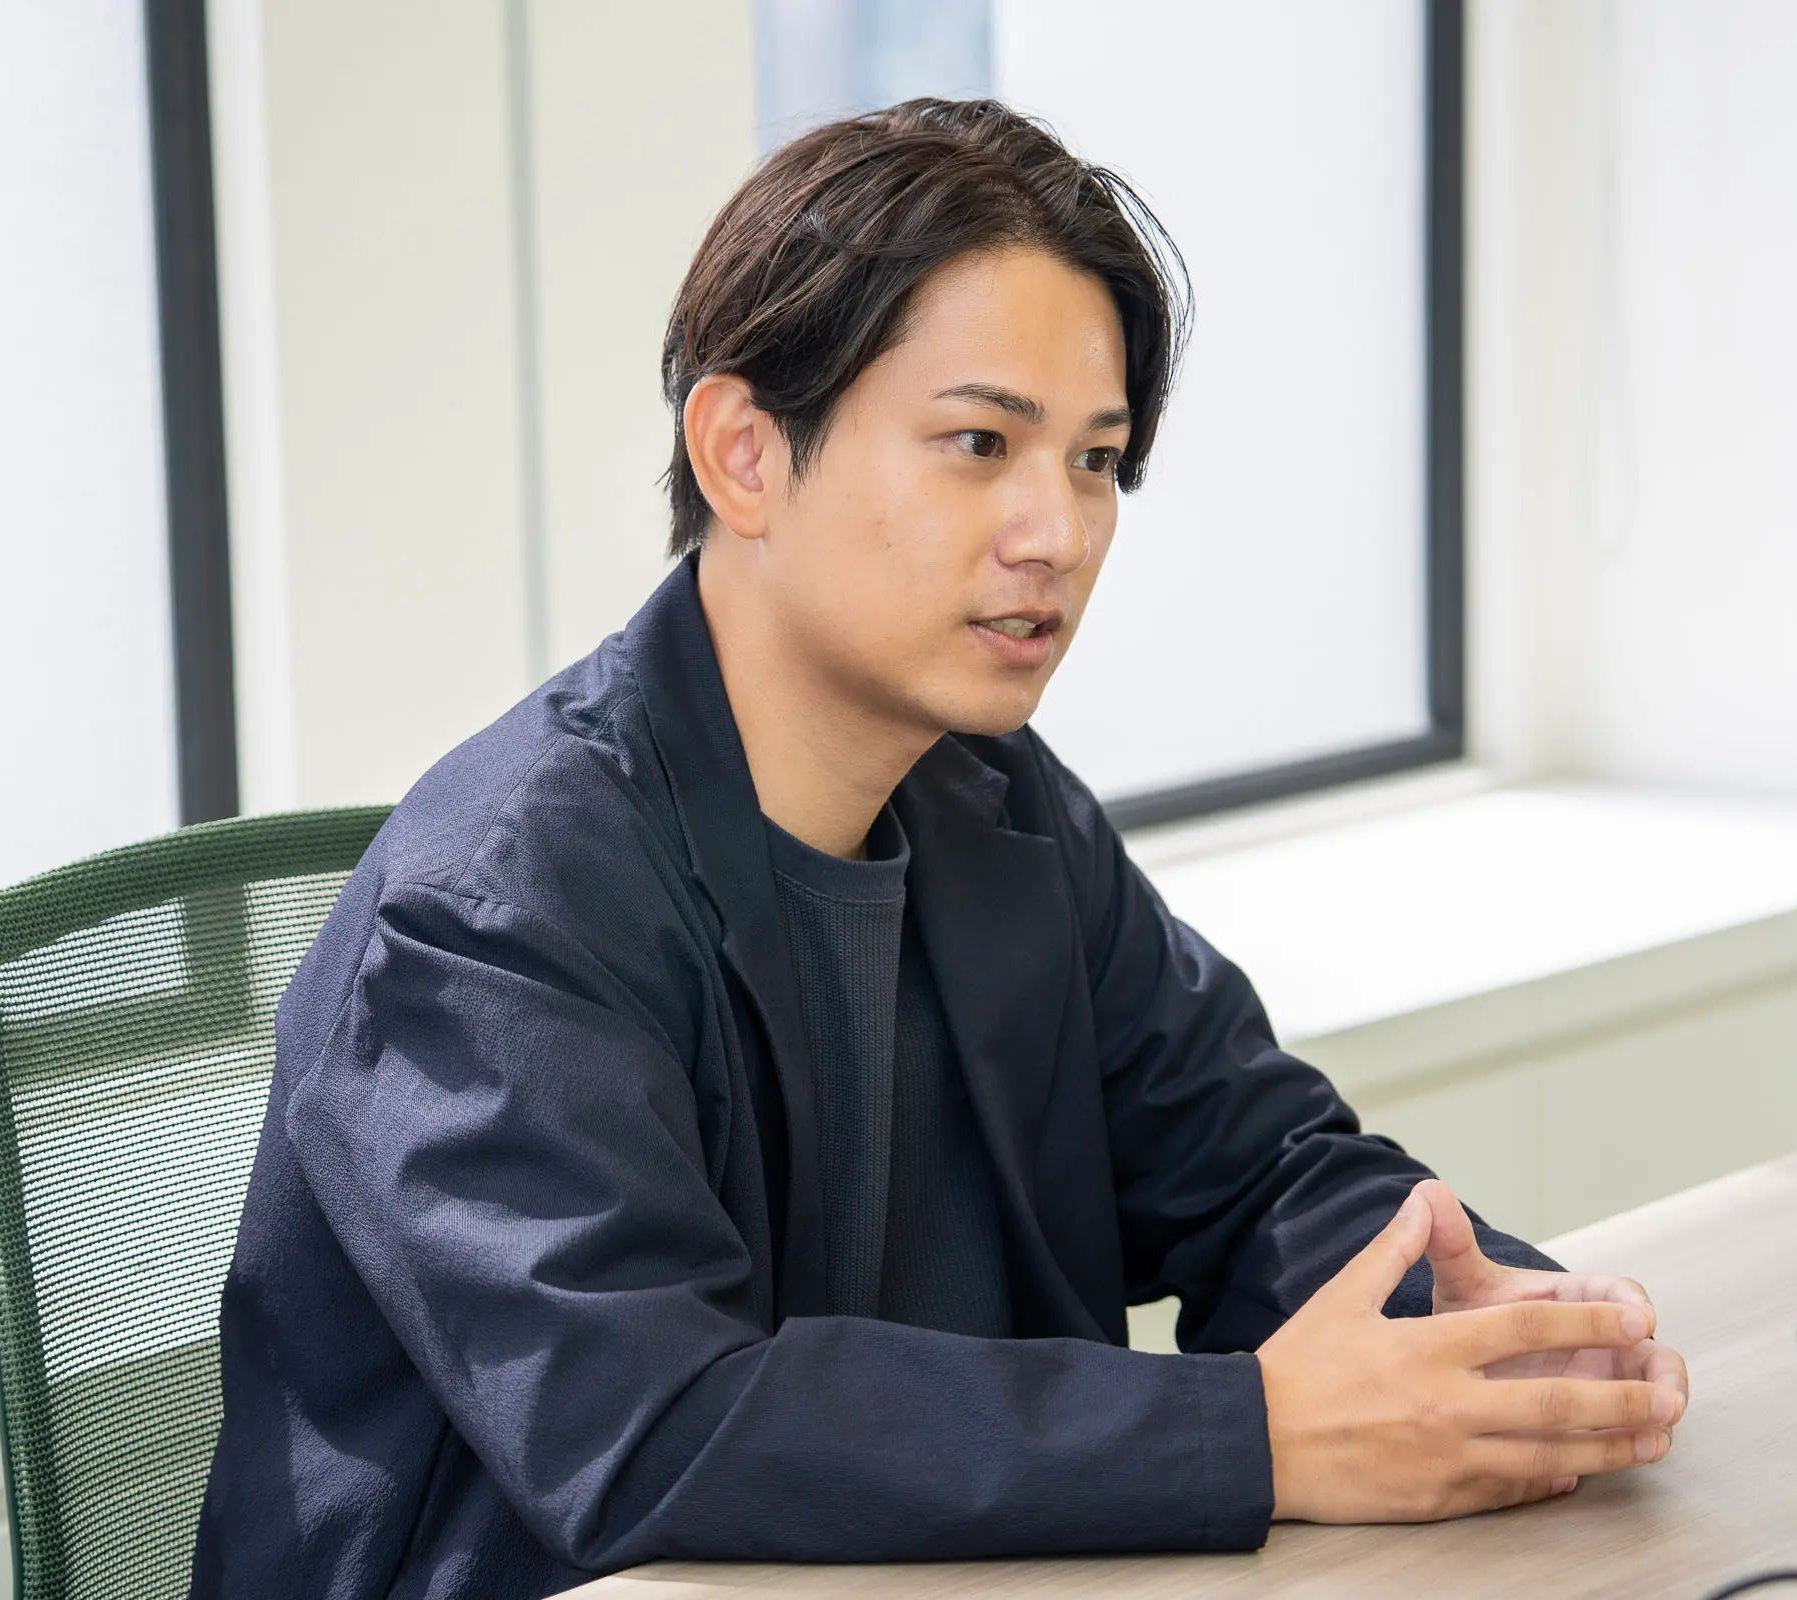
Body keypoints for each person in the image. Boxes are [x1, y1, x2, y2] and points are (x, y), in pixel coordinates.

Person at [189, 99, 1690, 1600]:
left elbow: (1255, 1169)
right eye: (981, 443)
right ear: (743, 454)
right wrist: (1260, 1437)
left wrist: (1503, 1337)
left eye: (1096, 460)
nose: (1058, 532)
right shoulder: (491, 909)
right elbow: (657, 1434)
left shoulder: (993, 800)